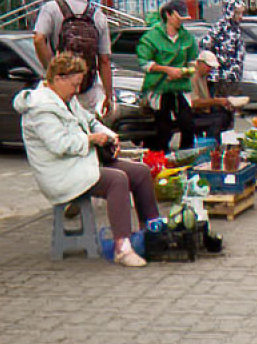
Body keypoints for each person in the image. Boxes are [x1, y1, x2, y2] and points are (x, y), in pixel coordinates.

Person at [13, 53, 155, 267]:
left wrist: (108, 134)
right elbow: (59, 145)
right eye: (74, 84)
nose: (77, 90)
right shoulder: (40, 109)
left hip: (81, 162)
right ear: (59, 79)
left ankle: (152, 232)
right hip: (61, 173)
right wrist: (90, 139)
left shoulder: (67, 99)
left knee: (140, 171)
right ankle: (122, 248)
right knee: (117, 180)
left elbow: (89, 120)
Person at [33, 0, 113, 115]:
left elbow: (38, 39)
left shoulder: (51, 8)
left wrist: (52, 69)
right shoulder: (98, 15)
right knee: (85, 130)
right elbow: (104, 60)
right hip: (86, 88)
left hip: (58, 85)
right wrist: (109, 95)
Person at [136, 0, 198, 152]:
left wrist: (185, 71)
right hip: (159, 88)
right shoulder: (152, 37)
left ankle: (185, 156)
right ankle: (160, 159)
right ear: (168, 15)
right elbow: (145, 63)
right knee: (163, 128)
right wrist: (167, 70)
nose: (180, 22)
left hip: (180, 88)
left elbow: (192, 61)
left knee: (187, 124)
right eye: (178, 18)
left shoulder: (187, 38)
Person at [199, 0, 246, 97]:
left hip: (232, 77)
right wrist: (216, 63)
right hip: (220, 78)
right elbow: (204, 44)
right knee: (219, 107)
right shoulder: (220, 28)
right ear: (230, 12)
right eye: (238, 13)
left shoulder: (236, 29)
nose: (240, 16)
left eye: (242, 13)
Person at [190, 51, 236, 141]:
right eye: (208, 66)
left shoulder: (203, 75)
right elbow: (194, 103)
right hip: (191, 114)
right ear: (199, 63)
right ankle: (211, 143)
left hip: (200, 111)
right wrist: (217, 101)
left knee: (226, 114)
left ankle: (216, 143)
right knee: (218, 119)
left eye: (211, 67)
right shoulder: (193, 76)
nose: (210, 69)